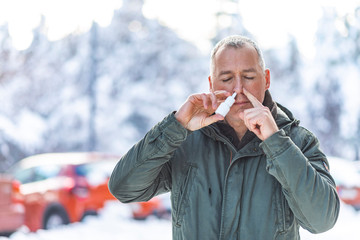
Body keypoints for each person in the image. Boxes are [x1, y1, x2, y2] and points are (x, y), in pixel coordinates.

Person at [108, 35, 340, 239]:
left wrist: (276, 143)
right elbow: (124, 188)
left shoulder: (298, 141)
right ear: (211, 84)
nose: (238, 88)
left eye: (248, 76)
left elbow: (322, 220)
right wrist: (176, 126)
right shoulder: (184, 139)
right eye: (227, 78)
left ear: (266, 79)